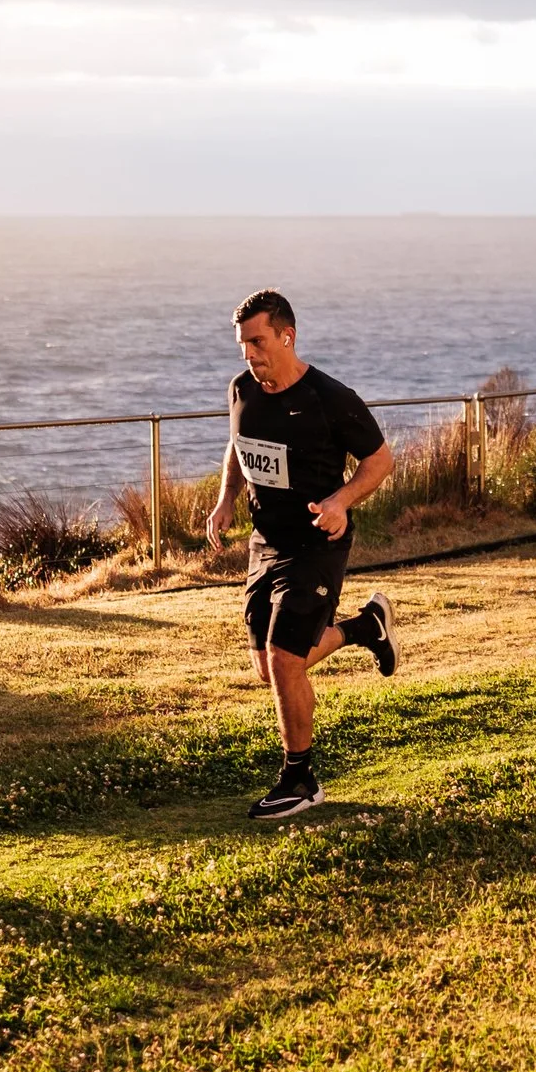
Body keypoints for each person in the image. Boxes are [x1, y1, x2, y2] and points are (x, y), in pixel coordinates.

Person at [204, 289, 400, 821]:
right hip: (265, 544)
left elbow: (380, 461)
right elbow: (236, 443)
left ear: (287, 337)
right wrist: (225, 501)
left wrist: (340, 501)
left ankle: (300, 778)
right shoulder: (241, 388)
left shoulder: (329, 397)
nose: (249, 354)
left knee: (285, 658)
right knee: (270, 669)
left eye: (258, 342)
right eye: (243, 344)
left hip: (318, 542)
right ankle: (364, 629)